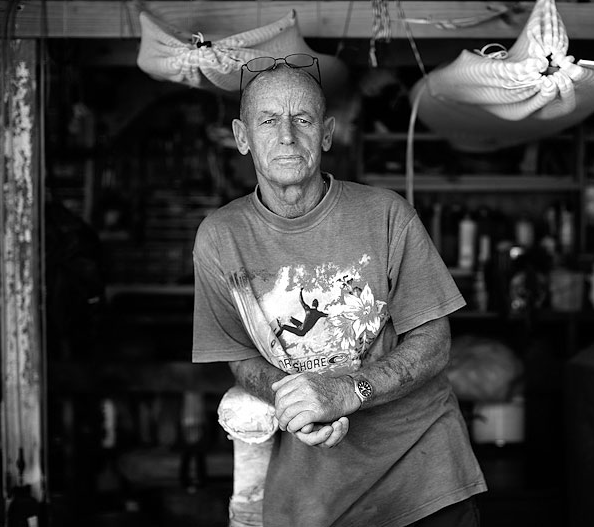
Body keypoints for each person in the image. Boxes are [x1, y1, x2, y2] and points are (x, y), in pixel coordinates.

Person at [192, 59, 487, 527]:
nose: (286, 135)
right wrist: (295, 401)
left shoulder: (387, 215)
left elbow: (434, 344)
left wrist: (349, 390)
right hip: (315, 493)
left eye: (303, 119)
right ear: (242, 136)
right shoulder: (220, 236)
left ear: (326, 134)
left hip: (423, 475)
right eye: (268, 120)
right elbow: (239, 354)